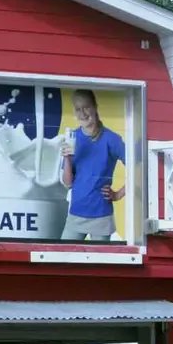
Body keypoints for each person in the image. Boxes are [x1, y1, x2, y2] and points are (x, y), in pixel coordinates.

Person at [59, 88, 126, 241]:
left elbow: (138, 168)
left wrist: (118, 194)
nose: (82, 113)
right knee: (62, 259)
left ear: (95, 107)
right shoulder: (72, 138)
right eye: (78, 109)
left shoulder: (112, 139)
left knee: (98, 263)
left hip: (101, 216)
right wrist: (67, 158)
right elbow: (68, 183)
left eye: (86, 107)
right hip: (76, 213)